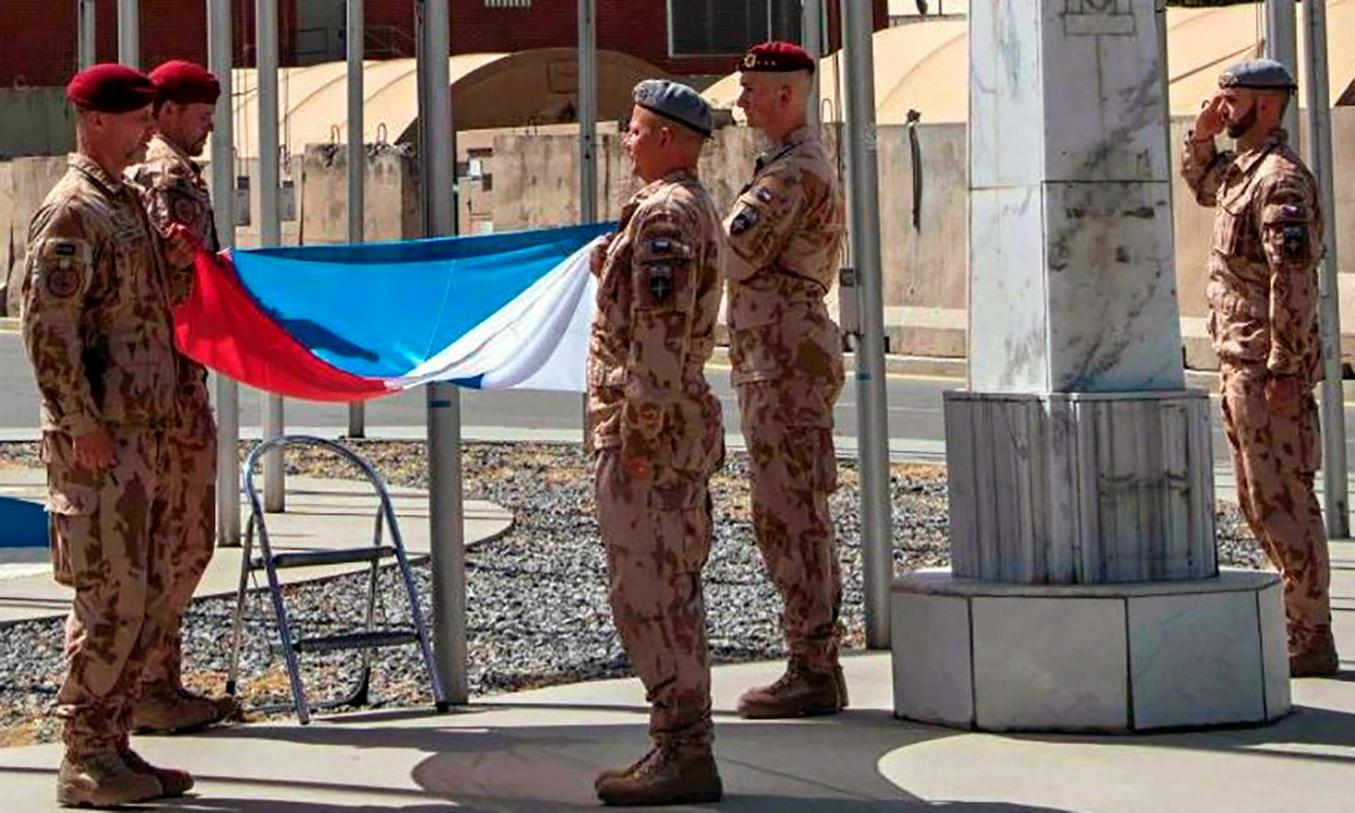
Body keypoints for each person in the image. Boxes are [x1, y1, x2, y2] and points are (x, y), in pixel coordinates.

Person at [22, 63, 196, 807]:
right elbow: (48, 330)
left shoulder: (121, 202)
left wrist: (178, 263)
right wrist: (80, 422)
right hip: (101, 445)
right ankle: (85, 758)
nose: (146, 132)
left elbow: (145, 307)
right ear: (95, 121)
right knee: (110, 598)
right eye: (135, 120)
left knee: (146, 593)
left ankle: (116, 742)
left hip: (142, 435)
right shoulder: (73, 211)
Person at [588, 79, 727, 806]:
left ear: (668, 139)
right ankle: (679, 741)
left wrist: (638, 439)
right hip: (664, 429)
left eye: (636, 130)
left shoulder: (665, 216)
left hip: (653, 435)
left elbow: (660, 341)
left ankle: (682, 749)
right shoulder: (673, 208)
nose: (627, 141)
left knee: (650, 592)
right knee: (666, 586)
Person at [1182, 58, 1339, 678]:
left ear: (1267, 105)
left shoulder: (1280, 182)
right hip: (1239, 359)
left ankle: (1311, 632)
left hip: (1267, 367)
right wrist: (1199, 136)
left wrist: (1284, 367)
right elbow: (1203, 185)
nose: (1221, 109)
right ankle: (1295, 621)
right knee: (1256, 497)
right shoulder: (1243, 172)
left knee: (1286, 498)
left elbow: (1291, 282)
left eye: (1232, 100)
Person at [723, 41, 848, 717]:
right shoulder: (782, 165)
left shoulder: (792, 175)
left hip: (784, 360)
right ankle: (812, 659)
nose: (741, 101)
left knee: (790, 513)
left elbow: (733, 253)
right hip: (774, 357)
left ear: (785, 95)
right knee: (785, 510)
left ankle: (813, 665)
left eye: (750, 90)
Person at [126, 59, 236, 734]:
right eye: (200, 115)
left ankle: (156, 682)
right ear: (167, 112)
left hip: (164, 379)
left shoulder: (151, 173)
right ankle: (147, 684)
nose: (208, 128)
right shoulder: (168, 178)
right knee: (184, 540)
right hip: (171, 386)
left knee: (168, 540)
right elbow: (183, 278)